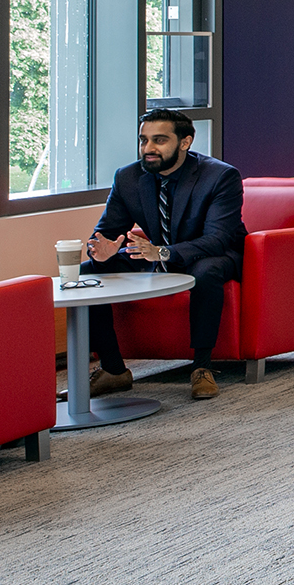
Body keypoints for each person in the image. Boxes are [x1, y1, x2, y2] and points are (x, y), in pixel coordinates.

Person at [81, 108, 245, 400]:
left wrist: (163, 252)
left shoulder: (220, 176)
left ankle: (202, 367)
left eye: (159, 140)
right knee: (89, 271)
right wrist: (102, 252)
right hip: (157, 253)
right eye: (144, 140)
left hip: (213, 254)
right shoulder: (128, 177)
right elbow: (106, 233)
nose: (149, 148)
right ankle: (114, 370)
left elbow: (218, 238)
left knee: (205, 272)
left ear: (185, 142)